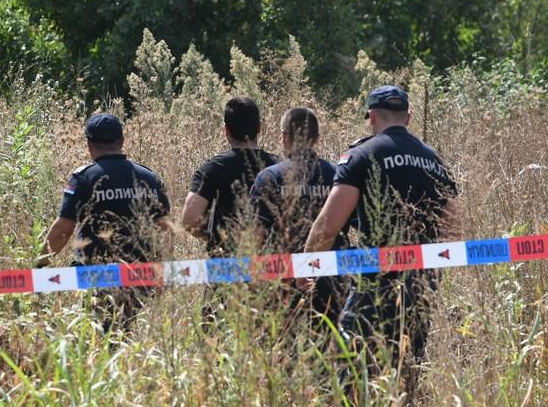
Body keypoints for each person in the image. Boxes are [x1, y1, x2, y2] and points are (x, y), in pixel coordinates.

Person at [304, 86, 461, 385]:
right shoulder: (434, 160)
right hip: (422, 280)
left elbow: (328, 225)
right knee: (407, 364)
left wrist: (307, 267)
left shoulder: (361, 155)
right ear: (408, 117)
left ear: (371, 116)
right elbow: (454, 228)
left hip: (376, 280)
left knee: (351, 363)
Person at [39, 113, 172, 331]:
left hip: (94, 275)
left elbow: (63, 229)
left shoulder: (84, 178)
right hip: (139, 275)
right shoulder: (148, 178)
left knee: (96, 335)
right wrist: (162, 270)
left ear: (89, 144)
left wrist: (40, 263)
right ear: (122, 141)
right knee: (127, 332)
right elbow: (165, 230)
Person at [249, 107, 348, 330]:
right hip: (332, 279)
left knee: (285, 344)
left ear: (284, 137)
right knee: (332, 343)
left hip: (283, 281)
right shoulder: (337, 176)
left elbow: (256, 234)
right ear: (317, 138)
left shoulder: (269, 177)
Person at [180, 97, 279, 256]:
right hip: (274, 263)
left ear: (226, 130)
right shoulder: (280, 168)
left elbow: (189, 220)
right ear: (259, 128)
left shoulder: (211, 170)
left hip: (225, 263)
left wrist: (215, 238)